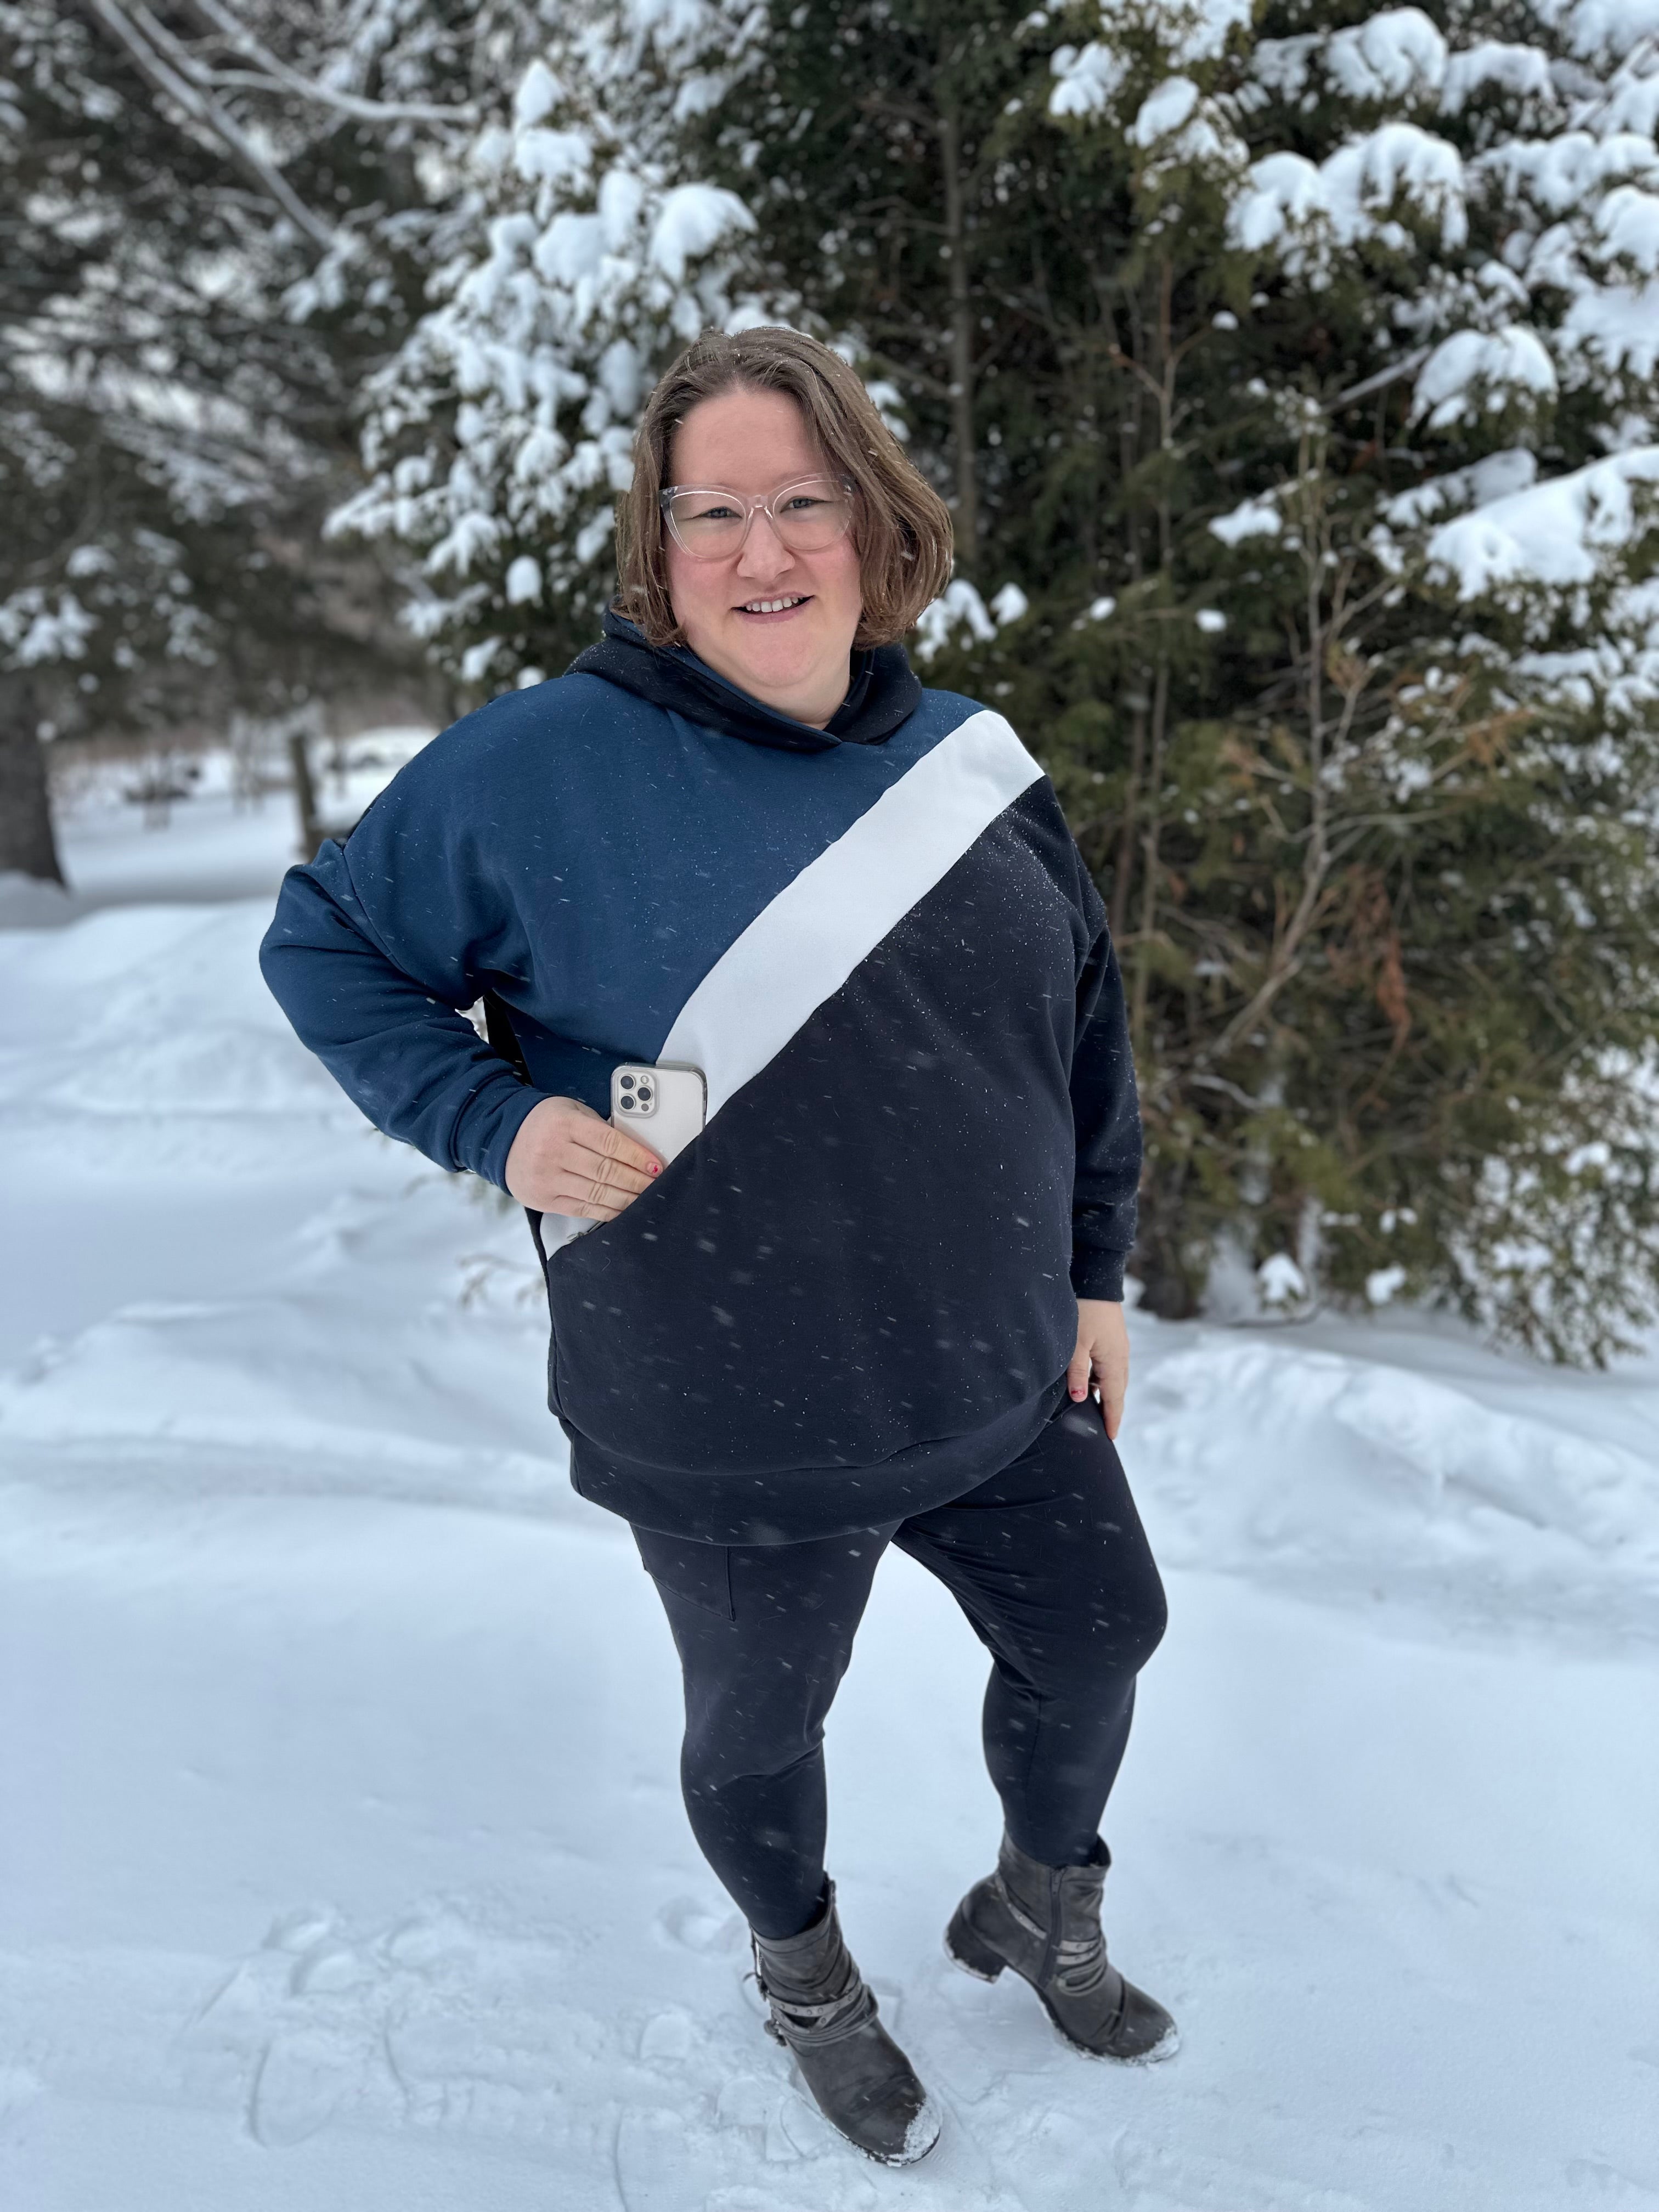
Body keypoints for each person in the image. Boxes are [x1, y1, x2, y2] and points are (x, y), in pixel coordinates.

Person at [261, 325, 1173, 2168]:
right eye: (714, 514)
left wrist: (1098, 1266)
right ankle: (808, 1972)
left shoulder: (975, 766)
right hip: (722, 1406)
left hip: (998, 1361)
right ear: (660, 551)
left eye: (800, 503)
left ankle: (1038, 1906)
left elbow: (1082, 1025)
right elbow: (322, 945)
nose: (763, 552)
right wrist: (496, 1118)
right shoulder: (538, 771)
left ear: (874, 524)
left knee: (1104, 1634)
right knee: (762, 1739)